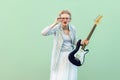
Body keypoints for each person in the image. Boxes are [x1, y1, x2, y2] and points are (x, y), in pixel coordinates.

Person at [41, 10, 89, 80]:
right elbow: (43, 33)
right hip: (59, 56)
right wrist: (54, 23)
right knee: (61, 76)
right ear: (60, 19)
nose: (65, 20)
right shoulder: (57, 28)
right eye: (63, 18)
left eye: (67, 18)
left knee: (70, 76)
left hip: (71, 56)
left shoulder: (73, 28)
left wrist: (82, 42)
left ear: (70, 19)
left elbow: (75, 41)